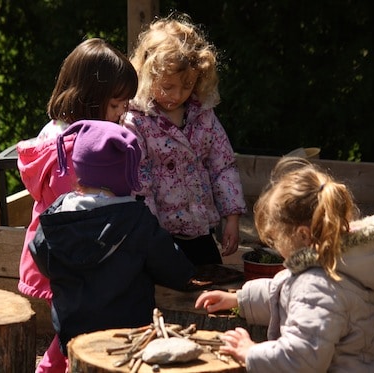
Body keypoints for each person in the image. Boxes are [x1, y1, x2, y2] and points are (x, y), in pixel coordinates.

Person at [195, 157, 374, 372]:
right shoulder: (343, 260)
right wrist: (239, 299)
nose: (276, 246)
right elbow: (285, 291)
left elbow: (302, 358)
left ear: (302, 235)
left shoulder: (317, 284)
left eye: (275, 239)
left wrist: (249, 352)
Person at [16, 38, 138, 373]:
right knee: (76, 330)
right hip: (73, 254)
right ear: (91, 99)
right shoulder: (77, 148)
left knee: (74, 326)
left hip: (55, 251)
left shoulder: (54, 133)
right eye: (116, 106)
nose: (121, 115)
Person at [29, 120, 196, 356]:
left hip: (74, 336)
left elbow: (40, 253)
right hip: (128, 337)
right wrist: (188, 275)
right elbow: (170, 264)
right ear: (126, 173)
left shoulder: (58, 214)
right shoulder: (137, 219)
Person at [122, 13, 246, 265]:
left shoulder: (203, 114)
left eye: (187, 85)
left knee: (210, 287)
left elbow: (222, 166)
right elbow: (139, 186)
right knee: (166, 296)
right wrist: (154, 239)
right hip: (160, 237)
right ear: (147, 75)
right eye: (168, 87)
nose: (178, 95)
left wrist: (231, 217)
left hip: (201, 230)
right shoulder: (136, 121)